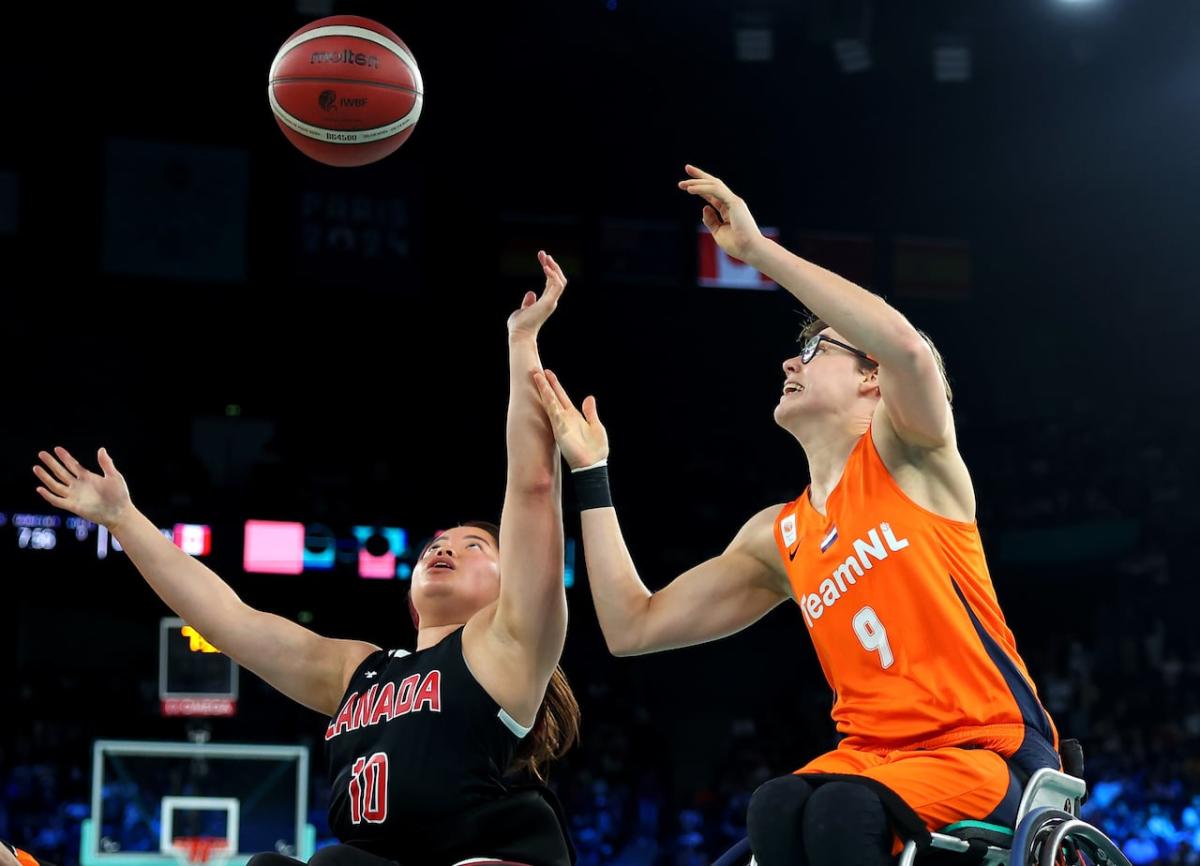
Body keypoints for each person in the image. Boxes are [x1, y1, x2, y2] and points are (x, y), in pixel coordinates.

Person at [532, 168, 1059, 866]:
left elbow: (905, 345)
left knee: (841, 810)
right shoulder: (776, 536)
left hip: (985, 754)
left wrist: (756, 252)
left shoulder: (914, 460)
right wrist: (591, 475)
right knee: (775, 804)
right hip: (873, 762)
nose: (789, 359)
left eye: (814, 349)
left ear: (871, 378)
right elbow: (633, 627)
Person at [34, 252, 579, 866]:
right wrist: (124, 521)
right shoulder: (358, 673)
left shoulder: (512, 646)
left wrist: (521, 345)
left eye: (475, 544)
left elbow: (532, 489)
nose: (446, 545)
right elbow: (229, 621)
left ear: (517, 586)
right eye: (439, 541)